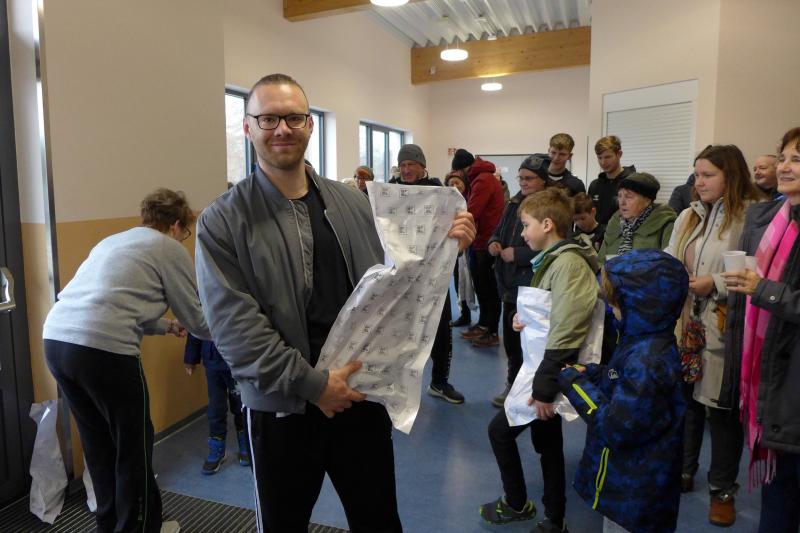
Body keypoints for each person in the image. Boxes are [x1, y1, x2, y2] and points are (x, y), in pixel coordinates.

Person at [195, 73, 475, 533]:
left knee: (378, 521)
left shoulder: (353, 203)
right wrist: (314, 386)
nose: (282, 129)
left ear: (309, 125)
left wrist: (447, 249)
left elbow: (395, 282)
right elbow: (235, 330)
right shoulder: (223, 220)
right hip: (282, 405)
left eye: (293, 118)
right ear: (248, 128)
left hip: (357, 397)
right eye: (268, 119)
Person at [43, 188, 211, 533]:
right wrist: (235, 332)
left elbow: (114, 305)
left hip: (58, 341)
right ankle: (141, 528)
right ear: (176, 225)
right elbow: (197, 320)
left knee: (99, 445)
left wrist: (167, 326)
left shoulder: (112, 242)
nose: (184, 238)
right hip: (105, 352)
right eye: (185, 232)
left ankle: (110, 525)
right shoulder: (168, 248)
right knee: (133, 449)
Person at [480, 187, 598, 533]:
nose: (522, 233)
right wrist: (524, 318)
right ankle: (553, 517)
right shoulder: (553, 260)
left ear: (547, 225)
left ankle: (519, 504)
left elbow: (568, 328)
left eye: (526, 224)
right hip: (544, 368)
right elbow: (551, 312)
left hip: (548, 372)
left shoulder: (568, 264)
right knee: (548, 444)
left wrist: (545, 388)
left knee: (500, 432)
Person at [665, 144, 762, 527]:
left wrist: (715, 282)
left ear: (730, 176)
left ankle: (722, 490)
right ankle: (683, 471)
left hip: (727, 326)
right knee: (687, 402)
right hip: (686, 324)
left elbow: (758, 271)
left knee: (722, 413)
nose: (699, 182)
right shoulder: (689, 215)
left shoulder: (751, 216)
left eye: (708, 175)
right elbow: (671, 256)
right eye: (697, 174)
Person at [560, 250, 688, 533]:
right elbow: (620, 378)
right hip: (629, 489)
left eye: (616, 303)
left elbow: (614, 427)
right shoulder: (643, 343)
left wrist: (575, 384)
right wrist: (595, 373)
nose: (611, 310)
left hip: (634, 497)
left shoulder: (648, 362)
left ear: (641, 306)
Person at [724, 127, 800, 533]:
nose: (784, 167)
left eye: (797, 160)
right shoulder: (776, 219)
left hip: (793, 383)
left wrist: (764, 289)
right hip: (775, 378)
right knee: (779, 497)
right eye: (782, 157)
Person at [389, 143, 466, 404]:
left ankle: (439, 381)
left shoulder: (439, 192)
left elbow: (454, 222)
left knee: (440, 329)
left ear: (422, 166)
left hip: (434, 275)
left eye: (411, 164)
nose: (406, 169)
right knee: (398, 331)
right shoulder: (390, 192)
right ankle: (395, 383)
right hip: (401, 275)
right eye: (402, 165)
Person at [487, 155, 548, 405]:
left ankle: (534, 390)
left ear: (543, 180)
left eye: (529, 178)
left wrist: (519, 255)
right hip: (509, 285)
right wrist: (494, 242)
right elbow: (499, 230)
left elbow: (554, 246)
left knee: (532, 344)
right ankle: (513, 384)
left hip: (533, 285)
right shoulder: (513, 203)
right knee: (512, 343)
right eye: (520, 178)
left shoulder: (550, 208)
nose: (523, 182)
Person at [451, 148, 505, 347]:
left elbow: (472, 212)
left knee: (488, 288)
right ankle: (483, 324)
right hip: (481, 240)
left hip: (485, 242)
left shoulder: (482, 180)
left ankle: (491, 331)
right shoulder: (482, 178)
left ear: (463, 169)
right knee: (482, 287)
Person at [183, 334, 250, 474]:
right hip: (212, 361)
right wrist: (191, 358)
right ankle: (217, 447)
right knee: (215, 408)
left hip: (237, 360)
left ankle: (246, 444)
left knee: (241, 405)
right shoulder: (203, 316)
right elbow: (195, 329)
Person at [598, 172, 676, 263]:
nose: (622, 202)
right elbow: (600, 261)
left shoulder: (665, 224)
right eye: (619, 196)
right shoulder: (614, 223)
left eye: (628, 197)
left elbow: (670, 265)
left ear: (647, 200)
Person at [588, 136, 637, 225]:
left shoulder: (633, 183)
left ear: (619, 154)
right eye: (599, 157)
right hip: (597, 233)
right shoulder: (594, 185)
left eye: (607, 157)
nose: (603, 162)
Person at [446, 172, 474, 327]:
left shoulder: (471, 199)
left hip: (470, 247)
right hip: (453, 248)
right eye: (451, 184)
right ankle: (464, 313)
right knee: (458, 281)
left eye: (458, 182)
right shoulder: (446, 202)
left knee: (470, 281)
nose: (455, 186)